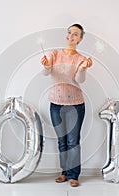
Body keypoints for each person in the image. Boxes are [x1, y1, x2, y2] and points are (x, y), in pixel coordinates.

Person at [41, 24, 92, 187]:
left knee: (73, 142)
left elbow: (80, 80)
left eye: (76, 34)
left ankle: (73, 175)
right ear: (66, 35)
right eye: (69, 33)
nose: (71, 36)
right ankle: (64, 172)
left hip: (75, 105)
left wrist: (83, 69)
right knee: (62, 141)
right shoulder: (53, 54)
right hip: (56, 104)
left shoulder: (81, 59)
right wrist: (47, 66)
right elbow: (46, 73)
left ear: (80, 39)